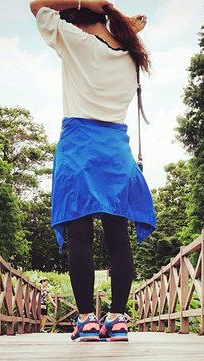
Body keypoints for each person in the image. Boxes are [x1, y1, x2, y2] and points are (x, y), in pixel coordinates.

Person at [30, 0, 156, 342]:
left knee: (80, 238)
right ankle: (117, 319)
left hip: (80, 149)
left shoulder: (76, 41)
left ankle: (86, 320)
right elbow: (112, 36)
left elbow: (38, 6)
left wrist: (89, 2)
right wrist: (120, 21)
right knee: (119, 240)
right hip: (115, 152)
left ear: (75, 20)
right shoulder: (131, 56)